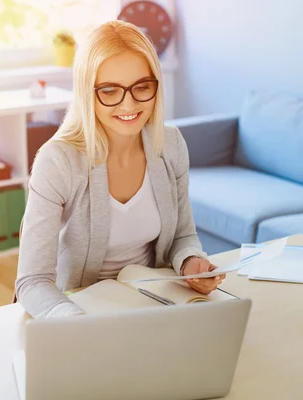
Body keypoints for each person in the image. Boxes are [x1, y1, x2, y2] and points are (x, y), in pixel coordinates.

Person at [15, 20, 225, 318]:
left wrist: (192, 262)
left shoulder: (171, 144)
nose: (128, 105)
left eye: (141, 87)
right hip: (75, 310)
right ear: (87, 92)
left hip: (152, 305)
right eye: (110, 90)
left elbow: (182, 236)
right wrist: (75, 322)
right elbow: (32, 281)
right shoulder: (58, 161)